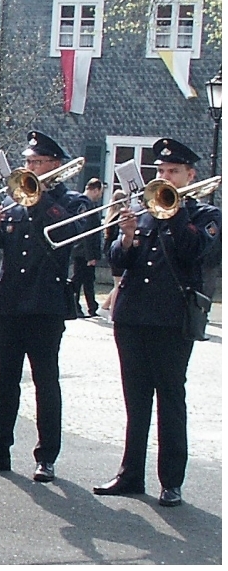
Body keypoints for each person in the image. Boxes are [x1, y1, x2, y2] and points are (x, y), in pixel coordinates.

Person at [94, 138, 221, 508]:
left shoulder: (205, 215)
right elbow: (116, 259)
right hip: (132, 317)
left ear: (190, 175)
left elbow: (193, 251)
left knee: (170, 398)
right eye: (161, 171)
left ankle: (171, 481)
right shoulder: (142, 210)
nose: (164, 176)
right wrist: (128, 235)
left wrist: (174, 208)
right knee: (135, 400)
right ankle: (130, 473)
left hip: (171, 319)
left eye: (173, 172)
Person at [0, 131, 90, 482]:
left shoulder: (72, 202)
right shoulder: (15, 202)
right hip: (8, 302)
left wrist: (40, 202)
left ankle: (46, 456)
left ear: (55, 166)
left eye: (37, 162)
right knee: (5, 381)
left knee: (45, 382)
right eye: (28, 162)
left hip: (45, 304)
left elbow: (72, 237)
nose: (30, 168)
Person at [71, 177, 104, 317]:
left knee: (88, 280)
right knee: (78, 280)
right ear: (95, 190)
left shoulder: (86, 204)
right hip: (82, 251)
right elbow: (86, 232)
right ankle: (75, 306)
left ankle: (91, 307)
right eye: (100, 192)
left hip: (84, 251)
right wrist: (91, 256)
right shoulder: (84, 205)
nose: (100, 195)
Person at [98, 188, 129, 319]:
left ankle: (105, 307)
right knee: (118, 284)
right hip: (115, 251)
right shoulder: (119, 216)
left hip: (110, 250)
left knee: (118, 283)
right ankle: (110, 311)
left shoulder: (111, 214)